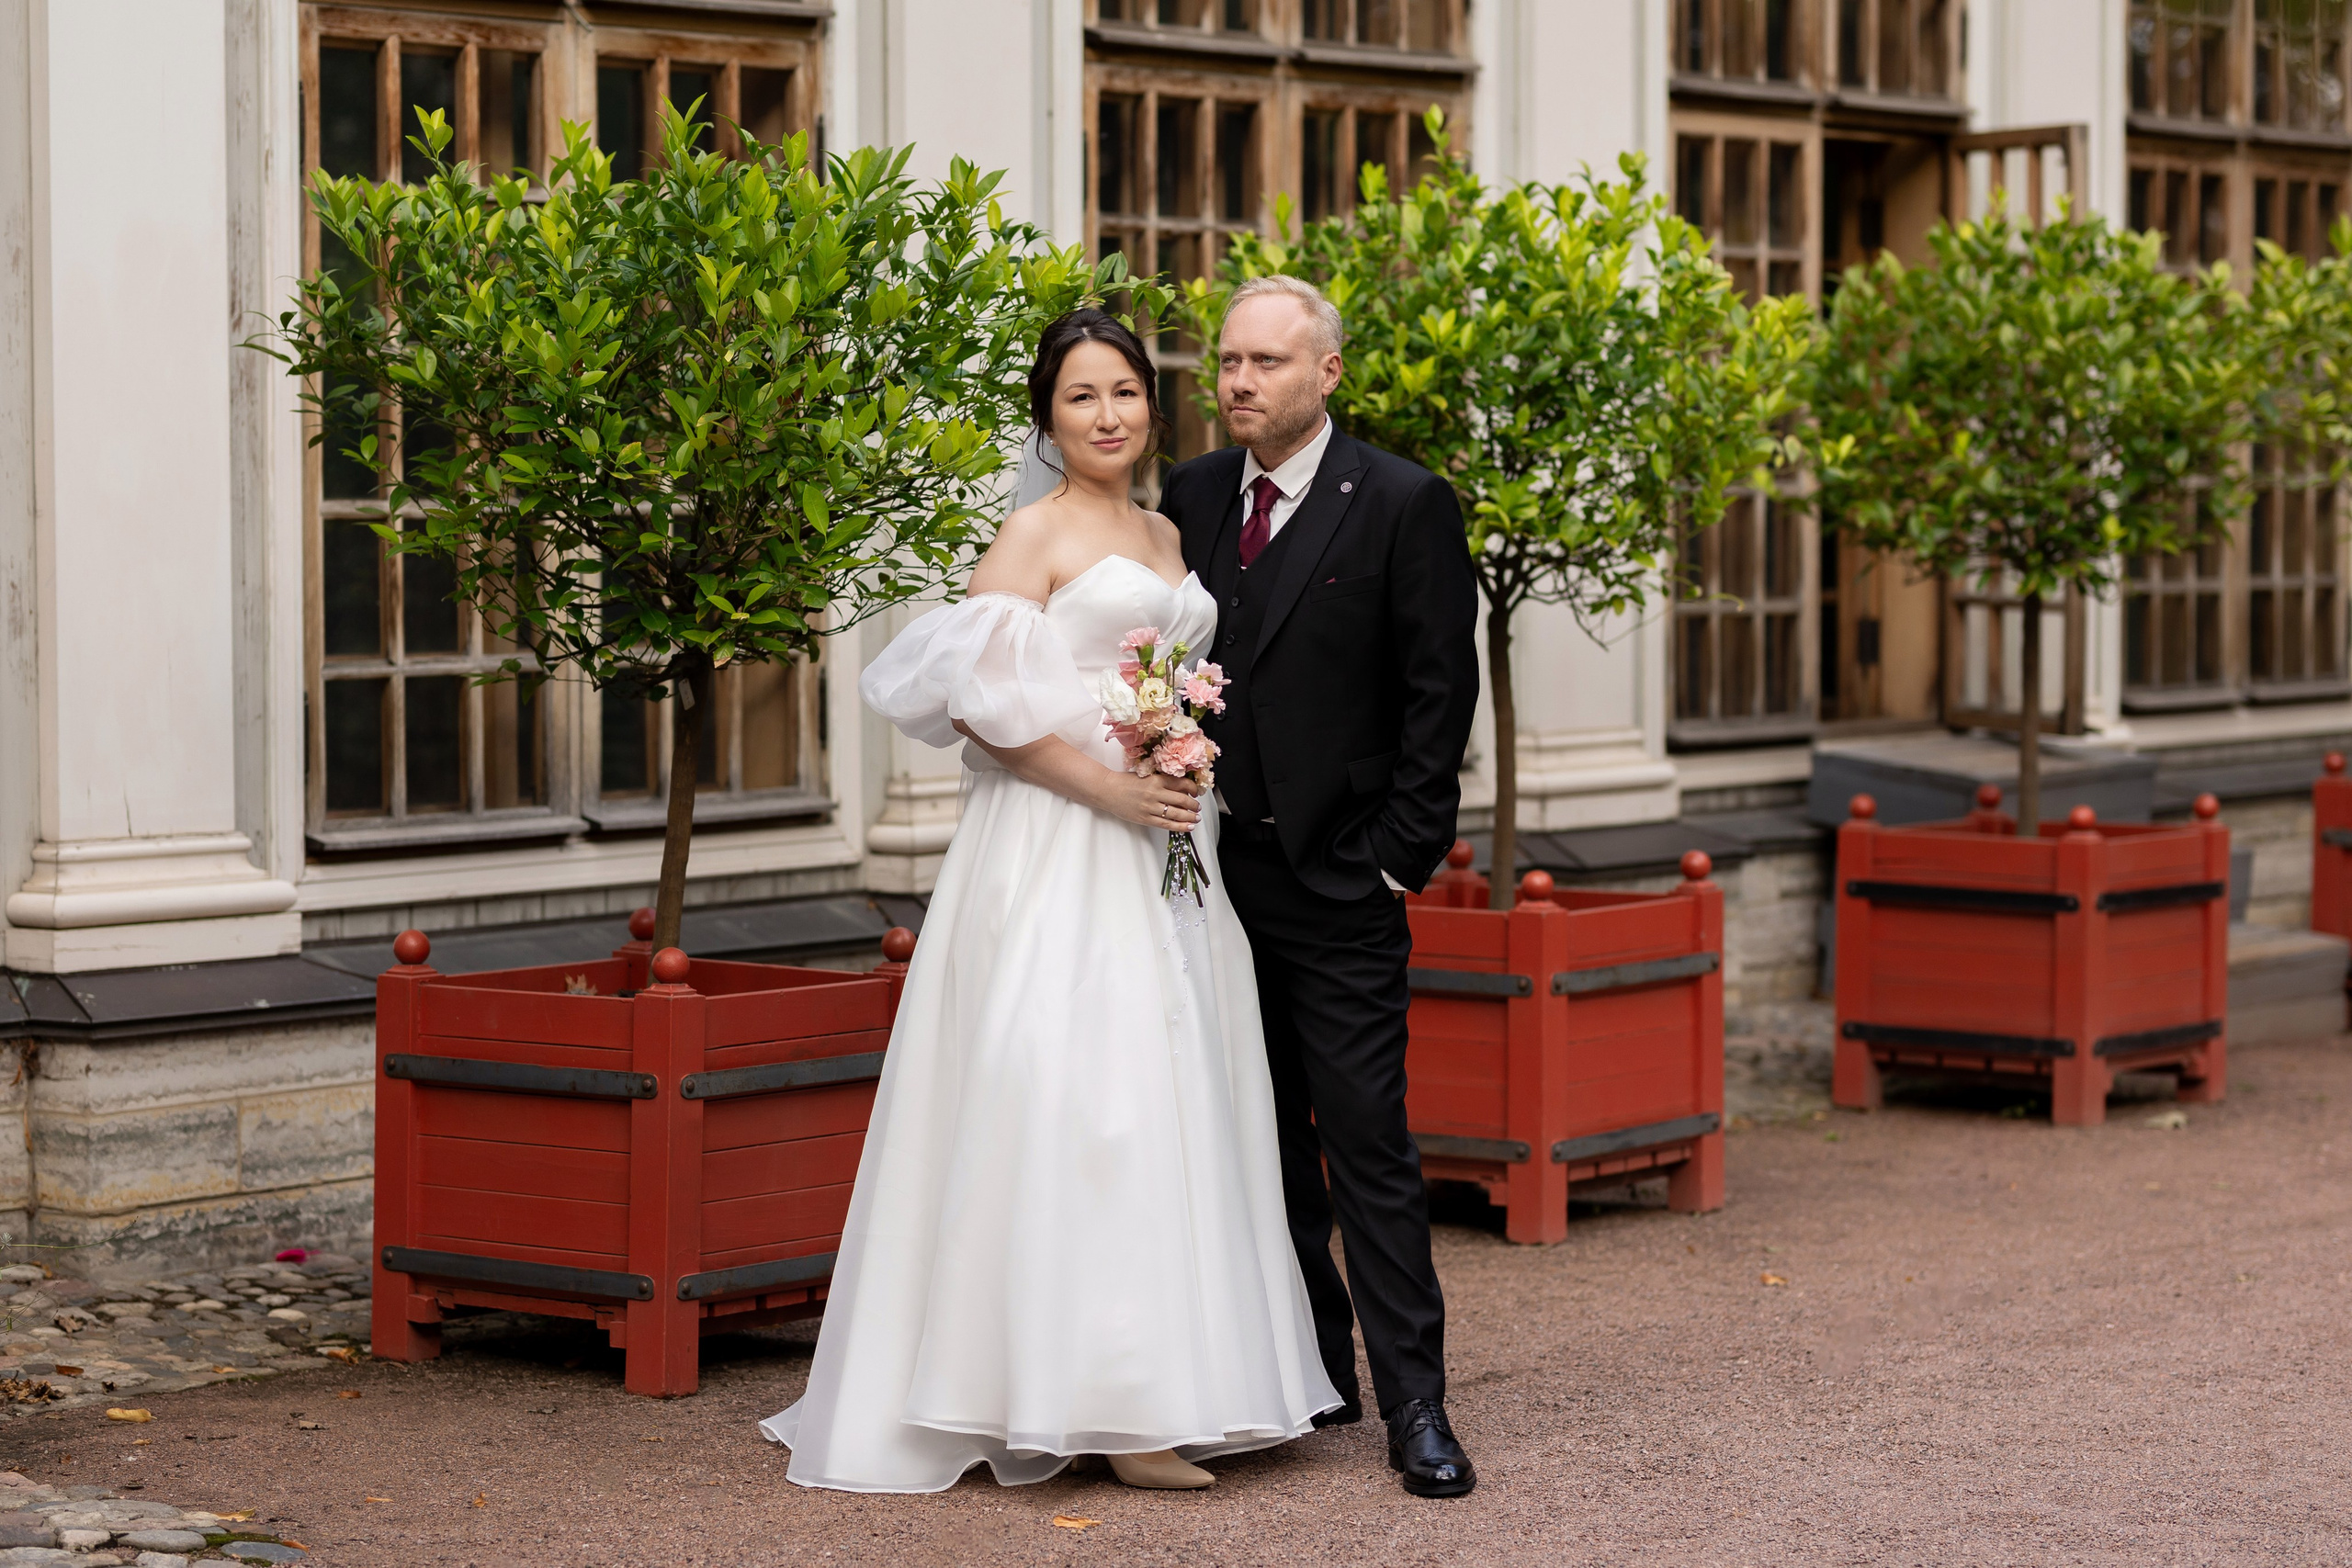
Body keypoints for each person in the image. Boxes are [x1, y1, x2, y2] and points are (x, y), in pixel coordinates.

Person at [759, 308, 1340, 1494]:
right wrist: (1111, 789)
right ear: (1048, 418)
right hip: (1061, 844)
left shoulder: (1169, 530)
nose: (1107, 415)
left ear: (1150, 405)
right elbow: (979, 711)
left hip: (1169, 850)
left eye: (1124, 391)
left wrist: (1174, 759)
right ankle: (1101, 1407)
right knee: (1086, 1100)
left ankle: (1173, 1384)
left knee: (1176, 1096)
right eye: (1081, 396)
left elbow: (1175, 679)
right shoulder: (1031, 535)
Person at [1156, 275, 1483, 1498]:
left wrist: (1398, 855)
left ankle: (1417, 1405)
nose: (1239, 382)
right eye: (1229, 361)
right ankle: (1315, 1364)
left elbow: (1439, 694)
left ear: (1327, 374)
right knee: (1261, 1139)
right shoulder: (1193, 494)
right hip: (1211, 879)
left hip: (1342, 881)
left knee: (1365, 1143)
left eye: (1267, 363)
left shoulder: (1402, 501)